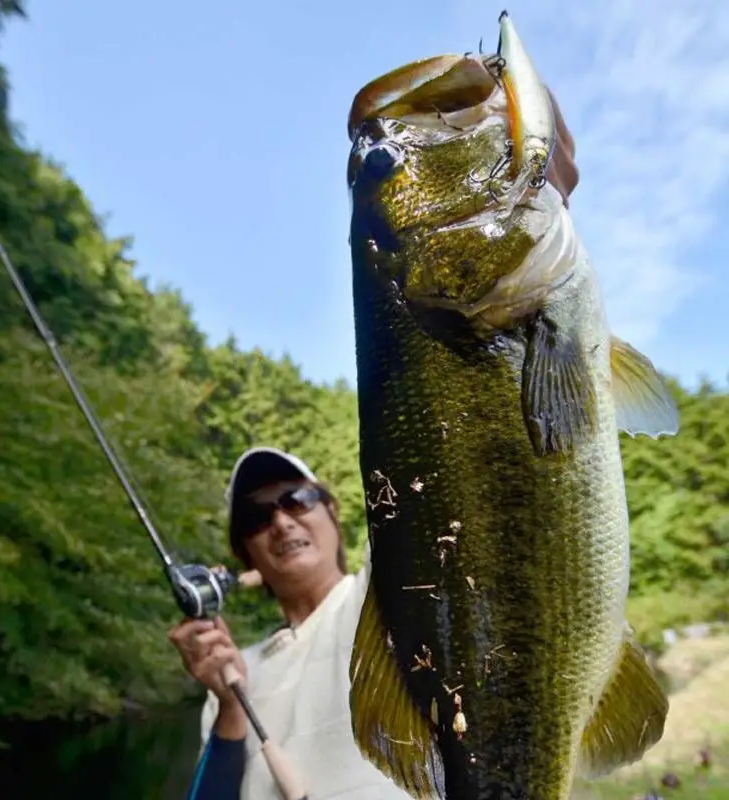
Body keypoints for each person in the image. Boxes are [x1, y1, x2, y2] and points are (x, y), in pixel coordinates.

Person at [168, 98, 580, 800]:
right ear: (245, 561)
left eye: (296, 499)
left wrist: (542, 184)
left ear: (333, 513)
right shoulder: (240, 674)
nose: (281, 521)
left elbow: (497, 543)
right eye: (257, 519)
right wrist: (231, 703)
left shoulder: (391, 600)